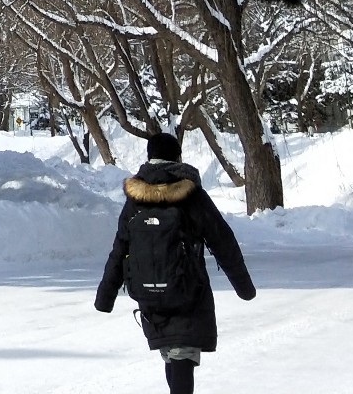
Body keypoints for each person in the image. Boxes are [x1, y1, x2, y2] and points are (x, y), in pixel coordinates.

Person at [95, 131, 256, 394]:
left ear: (149, 158)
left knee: (173, 351)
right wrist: (244, 288)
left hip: (148, 293)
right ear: (177, 157)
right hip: (187, 291)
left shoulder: (135, 201)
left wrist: (105, 297)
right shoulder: (191, 195)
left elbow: (119, 248)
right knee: (181, 353)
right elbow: (222, 241)